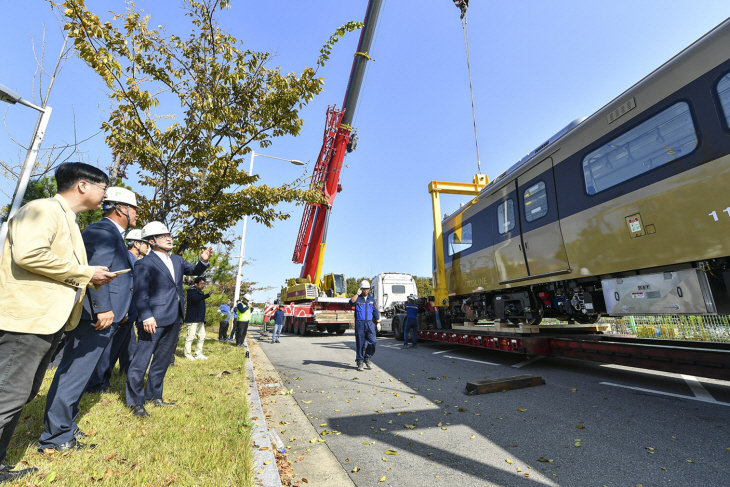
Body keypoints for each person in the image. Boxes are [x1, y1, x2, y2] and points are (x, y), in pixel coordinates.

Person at [0, 163, 117, 478]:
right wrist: (86, 272)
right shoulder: (42, 210)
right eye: (103, 188)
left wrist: (89, 279)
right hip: (26, 321)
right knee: (8, 394)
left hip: (45, 322)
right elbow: (28, 254)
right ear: (82, 185)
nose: (105, 195)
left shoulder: (69, 220)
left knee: (20, 394)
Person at [38, 187, 139, 452]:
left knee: (78, 375)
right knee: (73, 374)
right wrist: (103, 308)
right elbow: (96, 274)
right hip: (96, 316)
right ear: (121, 209)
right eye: (135, 209)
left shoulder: (112, 233)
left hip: (106, 315)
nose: (137, 215)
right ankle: (56, 437)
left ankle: (65, 426)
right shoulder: (102, 232)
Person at [125, 222, 211, 418]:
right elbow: (140, 293)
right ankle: (135, 402)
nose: (169, 238)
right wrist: (146, 315)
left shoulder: (178, 260)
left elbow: (194, 271)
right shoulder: (144, 263)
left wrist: (203, 261)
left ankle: (154, 396)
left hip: (174, 317)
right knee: (141, 361)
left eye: (169, 235)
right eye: (163, 236)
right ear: (152, 241)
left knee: (162, 360)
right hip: (153, 319)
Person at [85, 228, 147, 393]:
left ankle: (105, 380)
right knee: (107, 351)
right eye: (145, 243)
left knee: (117, 351)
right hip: (121, 312)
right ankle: (95, 384)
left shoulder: (138, 260)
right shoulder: (126, 258)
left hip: (130, 313)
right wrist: (123, 308)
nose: (147, 247)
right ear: (136, 243)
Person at [350, 280, 380, 371]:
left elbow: (375, 310)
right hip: (360, 324)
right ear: (361, 289)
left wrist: (378, 321)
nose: (365, 290)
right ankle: (360, 362)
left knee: (373, 342)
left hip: (369, 323)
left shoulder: (371, 299)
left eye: (367, 289)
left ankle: (367, 357)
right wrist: (357, 294)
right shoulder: (358, 298)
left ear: (369, 289)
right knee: (360, 344)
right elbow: (351, 302)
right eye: (363, 289)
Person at [184, 276, 212, 360]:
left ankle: (198, 353)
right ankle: (188, 354)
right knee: (190, 337)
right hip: (192, 319)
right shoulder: (191, 291)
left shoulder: (201, 293)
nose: (203, 285)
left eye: (204, 283)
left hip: (200, 320)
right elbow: (196, 299)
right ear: (195, 284)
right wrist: (208, 295)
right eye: (201, 283)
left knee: (202, 336)